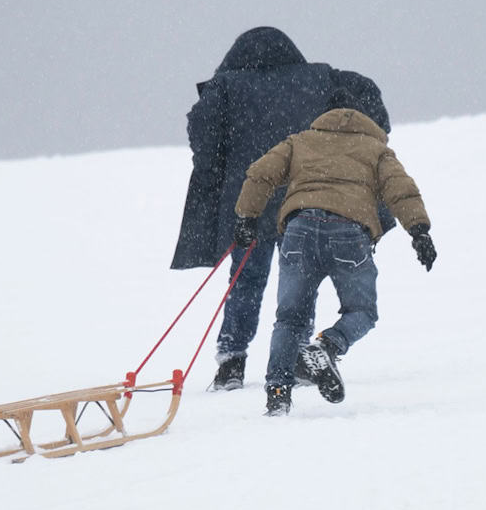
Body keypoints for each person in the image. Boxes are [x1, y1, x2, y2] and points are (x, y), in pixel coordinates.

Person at [171, 27, 395, 391]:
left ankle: (231, 361)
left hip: (251, 201)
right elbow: (367, 102)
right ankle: (294, 358)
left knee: (245, 280)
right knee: (301, 283)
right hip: (304, 201)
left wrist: (218, 173)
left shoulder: (227, 88)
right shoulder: (321, 81)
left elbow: (204, 138)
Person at [233, 89, 437, 415]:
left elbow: (261, 173)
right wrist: (419, 231)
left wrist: (247, 217)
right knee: (362, 311)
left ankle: (278, 393)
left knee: (289, 317)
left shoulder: (300, 141)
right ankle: (327, 345)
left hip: (299, 230)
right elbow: (401, 189)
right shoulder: (376, 150)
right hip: (349, 232)